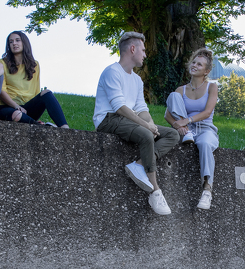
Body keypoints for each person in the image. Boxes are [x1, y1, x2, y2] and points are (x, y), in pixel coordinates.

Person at [94, 32, 179, 216]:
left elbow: (141, 107)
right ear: (132, 49)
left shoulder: (137, 80)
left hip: (127, 120)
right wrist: (146, 127)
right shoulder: (112, 72)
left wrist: (152, 124)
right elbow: (119, 107)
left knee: (172, 134)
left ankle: (140, 164)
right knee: (146, 135)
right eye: (143, 50)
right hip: (108, 119)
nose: (145, 54)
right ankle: (155, 191)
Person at [164, 47, 219, 210]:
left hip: (205, 129)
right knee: (173, 96)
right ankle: (186, 134)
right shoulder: (181, 90)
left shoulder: (211, 87)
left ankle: (207, 190)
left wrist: (186, 120)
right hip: (187, 130)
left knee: (205, 145)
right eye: (194, 62)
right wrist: (178, 125)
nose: (194, 65)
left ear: (206, 71)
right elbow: (168, 115)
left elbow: (207, 111)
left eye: (199, 64)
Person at [0, 31, 69, 128]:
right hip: (6, 107)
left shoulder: (35, 65)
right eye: (11, 42)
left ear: (24, 43)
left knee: (46, 92)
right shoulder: (1, 63)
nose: (14, 43)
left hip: (26, 109)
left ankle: (65, 128)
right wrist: (16, 106)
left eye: (17, 40)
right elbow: (1, 91)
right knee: (17, 115)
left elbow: (36, 91)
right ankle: (42, 127)